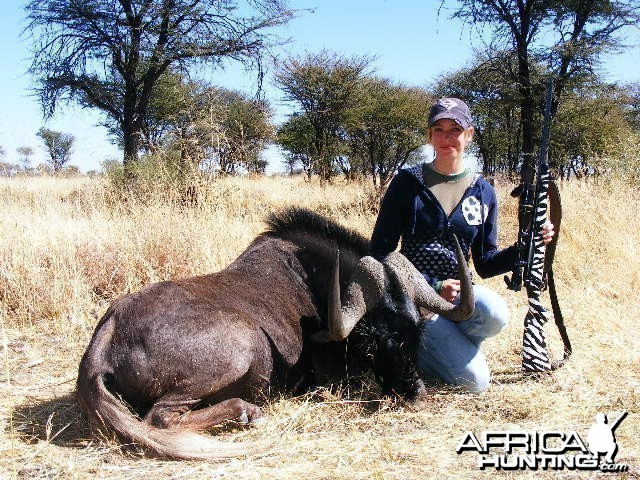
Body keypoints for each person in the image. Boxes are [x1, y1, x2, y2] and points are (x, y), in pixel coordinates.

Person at [368, 97, 555, 393]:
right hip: (416, 303)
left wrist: (526, 246)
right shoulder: (406, 183)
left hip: (459, 299)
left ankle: (446, 349)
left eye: (455, 129)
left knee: (495, 312)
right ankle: (417, 350)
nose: (446, 138)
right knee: (476, 383)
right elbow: (380, 253)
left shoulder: (483, 190)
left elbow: (486, 262)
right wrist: (433, 285)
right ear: (429, 136)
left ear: (469, 135)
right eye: (438, 129)